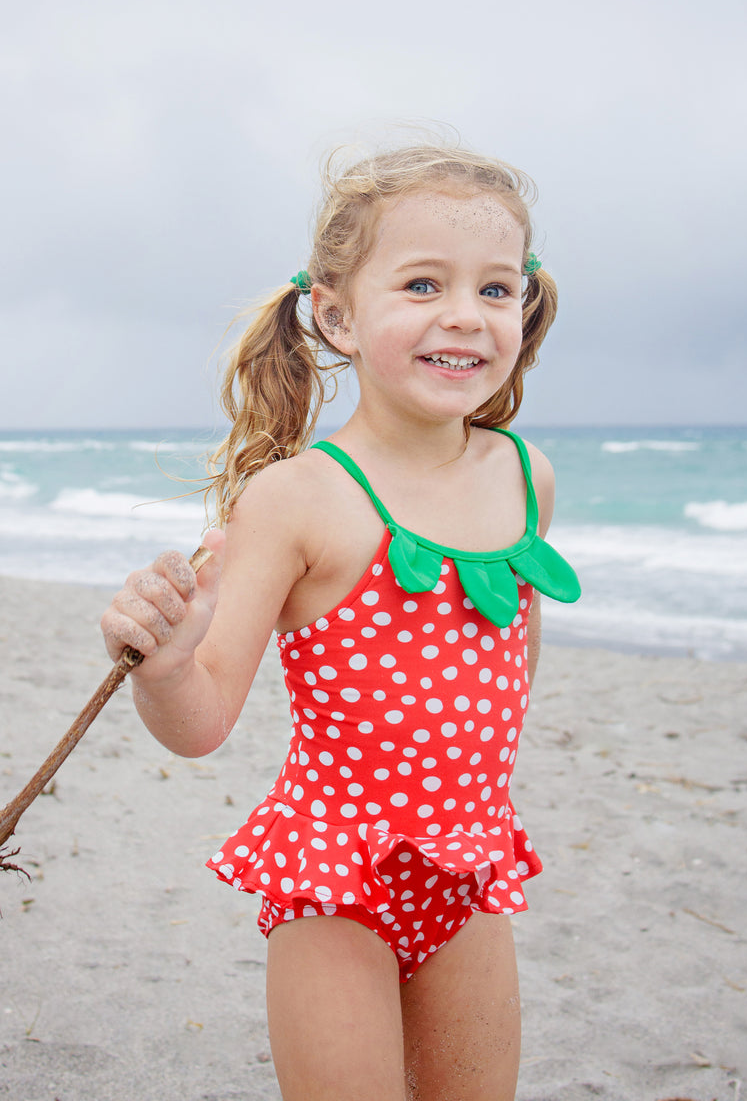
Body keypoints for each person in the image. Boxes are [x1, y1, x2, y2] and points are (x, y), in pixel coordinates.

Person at [101, 142, 580, 1101]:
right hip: (336, 882)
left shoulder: (527, 478)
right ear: (336, 314)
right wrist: (166, 664)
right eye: (420, 283)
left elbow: (506, 683)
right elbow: (200, 727)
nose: (464, 315)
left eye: (496, 289)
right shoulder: (299, 499)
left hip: (469, 873)